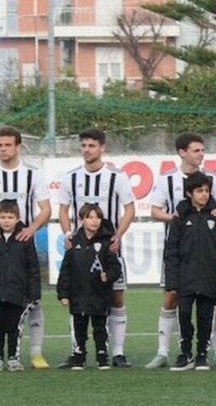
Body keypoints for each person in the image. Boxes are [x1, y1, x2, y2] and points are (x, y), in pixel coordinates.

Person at [146, 132, 216, 369]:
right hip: (180, 252)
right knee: (172, 297)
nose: (201, 154)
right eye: (196, 150)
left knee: (210, 301)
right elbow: (155, 211)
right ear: (182, 152)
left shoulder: (212, 179)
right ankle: (163, 352)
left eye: (203, 150)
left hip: (207, 254)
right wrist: (178, 219)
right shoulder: (167, 179)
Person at [57, 129, 135, 369]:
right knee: (78, 298)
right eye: (83, 145)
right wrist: (68, 233)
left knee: (116, 297)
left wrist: (117, 235)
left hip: (108, 248)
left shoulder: (117, 177)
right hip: (81, 250)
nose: (87, 150)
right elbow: (63, 209)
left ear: (102, 148)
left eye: (91, 145)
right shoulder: (70, 177)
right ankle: (77, 352)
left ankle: (117, 353)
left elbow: (129, 208)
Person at [163, 173, 216, 372]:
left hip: (209, 277)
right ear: (189, 193)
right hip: (185, 278)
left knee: (205, 317)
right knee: (184, 315)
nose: (204, 194)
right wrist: (172, 281)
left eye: (207, 191)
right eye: (199, 191)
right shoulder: (180, 218)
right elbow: (171, 251)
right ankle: (185, 353)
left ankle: (202, 354)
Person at [0, 127, 51, 369]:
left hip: (23, 243)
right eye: (0, 145)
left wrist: (31, 229)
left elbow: (46, 209)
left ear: (18, 146)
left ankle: (36, 353)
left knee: (33, 300)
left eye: (7, 145)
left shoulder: (33, 174)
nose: (3, 149)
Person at [57, 204, 119, 370]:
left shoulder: (106, 242)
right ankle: (79, 355)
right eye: (90, 217)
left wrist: (108, 276)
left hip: (99, 294)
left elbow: (115, 267)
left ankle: (102, 355)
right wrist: (63, 294)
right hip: (78, 294)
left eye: (97, 217)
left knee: (100, 326)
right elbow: (66, 270)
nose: (94, 221)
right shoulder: (74, 242)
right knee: (79, 326)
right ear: (81, 220)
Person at [0, 199, 40, 371]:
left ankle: (13, 357)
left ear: (17, 219)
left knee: (14, 327)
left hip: (17, 292)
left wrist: (34, 293)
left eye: (10, 217)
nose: (6, 221)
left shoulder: (25, 239)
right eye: (3, 217)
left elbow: (33, 267)